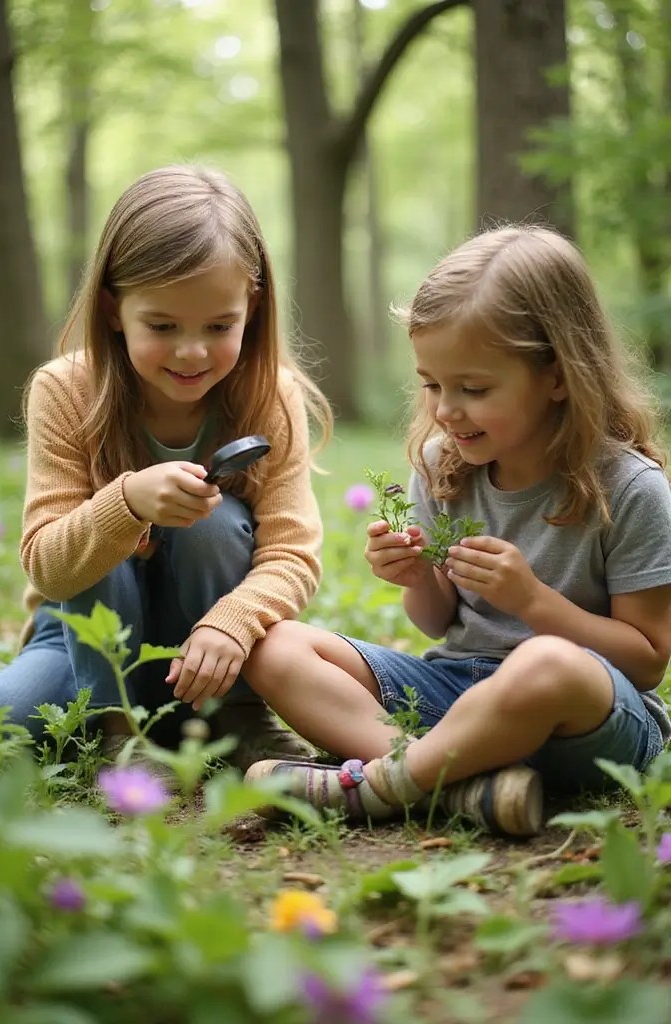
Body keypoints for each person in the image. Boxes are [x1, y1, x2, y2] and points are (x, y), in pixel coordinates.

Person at [243, 224, 671, 837]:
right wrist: (419, 578)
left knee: (545, 661)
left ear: (558, 375)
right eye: (433, 385)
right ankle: (465, 787)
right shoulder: (447, 466)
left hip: (585, 721)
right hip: (458, 687)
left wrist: (533, 603)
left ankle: (379, 786)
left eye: (473, 388)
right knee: (275, 646)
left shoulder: (630, 489)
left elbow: (649, 660)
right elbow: (439, 622)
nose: (445, 409)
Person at [0, 163, 332, 771]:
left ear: (253, 306)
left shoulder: (270, 396)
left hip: (215, 646)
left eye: (220, 326)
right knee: (1, 719)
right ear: (113, 309)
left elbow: (293, 552)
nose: (192, 351)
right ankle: (116, 730)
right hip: (86, 641)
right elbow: (51, 567)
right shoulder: (65, 390)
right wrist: (126, 501)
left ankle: (238, 716)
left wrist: (233, 624)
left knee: (214, 521)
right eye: (162, 326)